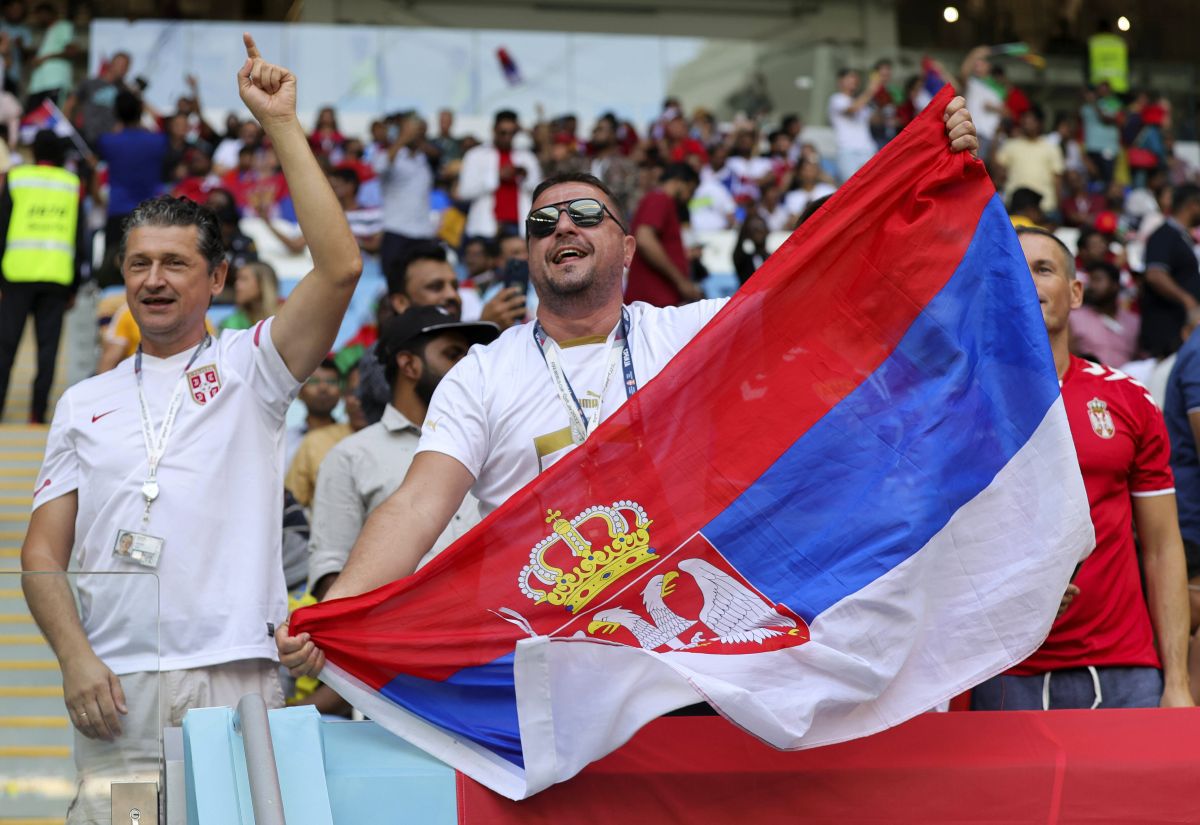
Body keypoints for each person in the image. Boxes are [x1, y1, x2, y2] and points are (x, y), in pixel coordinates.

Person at [277, 94, 981, 678]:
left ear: (626, 247)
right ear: (528, 252)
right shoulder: (482, 375)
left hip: (693, 649)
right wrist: (333, 613)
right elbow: (415, 507)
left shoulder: (688, 334)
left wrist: (925, 172)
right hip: (548, 657)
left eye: (586, 216)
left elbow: (822, 275)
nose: (562, 229)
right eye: (542, 223)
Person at [19, 36, 362, 822]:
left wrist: (279, 124)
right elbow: (42, 550)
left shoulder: (255, 368)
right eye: (139, 263)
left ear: (215, 278)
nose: (154, 279)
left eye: (176, 263)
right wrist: (74, 657)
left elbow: (339, 267)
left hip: (233, 680)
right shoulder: (84, 400)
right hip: (117, 689)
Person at [970, 227, 1192, 711]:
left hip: (1125, 668)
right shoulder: (962, 408)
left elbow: (1161, 547)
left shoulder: (1129, 399)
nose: (1026, 283)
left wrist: (1177, 679)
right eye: (1011, 272)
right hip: (1004, 668)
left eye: (1043, 269)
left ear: (1075, 294)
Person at [307, 306, 496, 600]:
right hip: (394, 641)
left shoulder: (493, 445)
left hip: (490, 634)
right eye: (453, 354)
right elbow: (330, 572)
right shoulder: (350, 455)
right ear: (409, 365)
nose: (467, 366)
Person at [0, 129, 84, 423]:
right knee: (47, 350)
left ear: (33, 151)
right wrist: (75, 283)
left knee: (5, 347)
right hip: (57, 277)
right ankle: (37, 414)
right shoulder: (72, 184)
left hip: (16, 274)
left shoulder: (17, 178)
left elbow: (2, 226)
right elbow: (79, 237)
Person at [97, 90, 167, 286]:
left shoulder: (108, 141)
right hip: (149, 214)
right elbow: (161, 121)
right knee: (148, 270)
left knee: (114, 271)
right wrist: (142, 102)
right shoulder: (157, 141)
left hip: (117, 213)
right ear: (140, 111)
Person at [623, 162, 702, 307]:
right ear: (679, 182)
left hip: (656, 302)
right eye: (690, 191)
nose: (689, 198)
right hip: (653, 302)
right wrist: (681, 281)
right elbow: (645, 239)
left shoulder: (660, 201)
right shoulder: (660, 199)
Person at [458, 110, 541, 239]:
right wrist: (497, 176)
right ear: (494, 130)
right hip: (485, 226)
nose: (507, 137)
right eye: (503, 133)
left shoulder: (527, 157)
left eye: (512, 133)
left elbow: (538, 192)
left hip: (518, 227)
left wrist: (524, 177)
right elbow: (464, 192)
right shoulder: (475, 155)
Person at [374, 112, 436, 281]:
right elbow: (380, 168)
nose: (417, 133)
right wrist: (402, 138)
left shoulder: (424, 159)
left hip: (423, 234)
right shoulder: (389, 155)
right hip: (397, 232)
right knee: (393, 284)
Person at [1140, 184, 1200, 358]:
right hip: (1165, 336)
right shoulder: (1165, 234)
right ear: (1193, 205)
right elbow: (1154, 274)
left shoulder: (1181, 237)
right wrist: (1187, 300)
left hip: (1178, 332)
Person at [286, 359, 350, 508]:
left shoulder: (352, 437)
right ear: (299, 392)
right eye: (314, 381)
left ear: (341, 392)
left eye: (331, 382)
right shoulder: (283, 441)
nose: (323, 388)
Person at [995, 106, 1064, 221]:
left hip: (1045, 208)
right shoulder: (1010, 145)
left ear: (1040, 123)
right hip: (1015, 208)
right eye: (1025, 120)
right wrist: (997, 135)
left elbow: (1057, 180)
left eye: (1031, 120)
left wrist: (1058, 207)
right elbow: (997, 171)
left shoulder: (1051, 147)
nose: (1027, 123)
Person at [1069, 261, 1139, 367]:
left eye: (1097, 280)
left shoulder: (1134, 322)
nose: (1091, 286)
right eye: (1090, 281)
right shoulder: (1075, 318)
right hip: (1088, 380)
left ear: (1115, 285)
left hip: (1125, 380)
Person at [63, 50, 130, 148]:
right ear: (112, 64)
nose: (123, 69)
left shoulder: (125, 90)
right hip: (88, 138)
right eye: (121, 65)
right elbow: (70, 103)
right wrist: (68, 128)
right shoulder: (90, 83)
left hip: (111, 140)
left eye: (126, 67)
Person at [827, 68, 879, 183]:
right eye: (849, 77)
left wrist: (880, 98)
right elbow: (852, 109)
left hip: (868, 150)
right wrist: (870, 90)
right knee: (850, 188)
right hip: (847, 151)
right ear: (840, 81)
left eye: (855, 78)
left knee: (872, 186)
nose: (853, 81)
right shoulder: (836, 99)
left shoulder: (862, 102)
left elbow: (876, 120)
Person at [24, 1, 74, 110]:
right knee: (32, 118)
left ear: (49, 13)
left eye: (40, 15)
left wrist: (45, 58)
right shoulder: (47, 30)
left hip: (55, 82)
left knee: (51, 118)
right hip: (38, 85)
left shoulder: (63, 26)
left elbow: (71, 51)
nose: (39, 19)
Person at [219, 260, 278, 332]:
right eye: (237, 279)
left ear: (262, 285)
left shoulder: (283, 318)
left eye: (244, 279)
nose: (237, 285)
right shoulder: (231, 324)